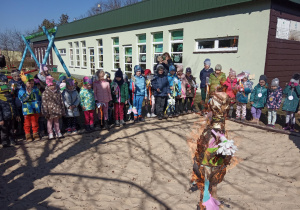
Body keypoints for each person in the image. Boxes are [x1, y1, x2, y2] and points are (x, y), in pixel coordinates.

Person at [18, 74, 42, 141]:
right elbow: (22, 99)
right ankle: (28, 134)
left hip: (35, 108)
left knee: (35, 122)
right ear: (25, 82)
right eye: (29, 82)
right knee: (27, 123)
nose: (31, 84)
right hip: (27, 109)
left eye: (32, 82)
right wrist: (28, 94)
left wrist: (40, 108)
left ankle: (35, 133)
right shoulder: (22, 90)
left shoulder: (36, 89)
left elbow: (39, 98)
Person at [0, 74, 20, 147]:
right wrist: (1, 119)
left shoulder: (10, 97)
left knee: (12, 129)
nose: (5, 84)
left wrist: (17, 114)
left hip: (11, 116)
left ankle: (12, 140)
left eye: (6, 82)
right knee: (4, 130)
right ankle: (4, 141)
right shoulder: (1, 99)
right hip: (4, 118)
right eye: (3, 82)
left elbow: (14, 105)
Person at [9, 69, 25, 136]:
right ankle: (16, 130)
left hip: (23, 101)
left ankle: (23, 130)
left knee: (23, 116)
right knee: (16, 117)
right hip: (15, 101)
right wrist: (12, 90)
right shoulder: (11, 83)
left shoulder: (22, 82)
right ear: (13, 76)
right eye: (15, 76)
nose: (17, 78)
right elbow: (11, 93)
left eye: (18, 76)